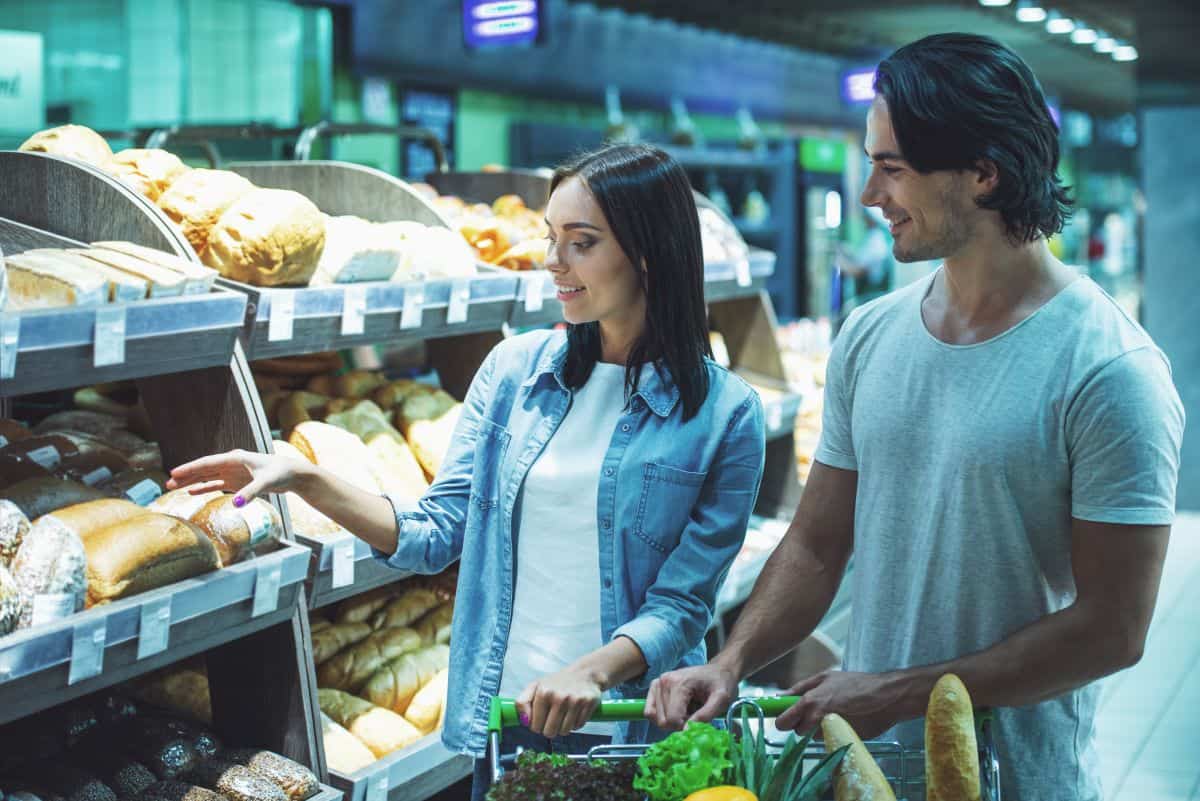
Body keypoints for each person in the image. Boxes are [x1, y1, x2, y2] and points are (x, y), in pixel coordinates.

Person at [645, 33, 1184, 801]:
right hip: (867, 775)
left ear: (983, 175)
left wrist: (898, 691)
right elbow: (819, 542)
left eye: (891, 167)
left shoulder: (1109, 370)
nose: (869, 194)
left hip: (1016, 777)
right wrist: (730, 659)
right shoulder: (870, 334)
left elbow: (1113, 629)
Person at [168, 143, 766, 801]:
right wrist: (303, 478)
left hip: (628, 726)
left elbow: (682, 602)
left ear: (649, 251)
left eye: (581, 242)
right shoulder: (516, 372)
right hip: (509, 721)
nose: (551, 261)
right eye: (550, 237)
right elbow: (435, 530)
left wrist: (592, 672)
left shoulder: (725, 414)